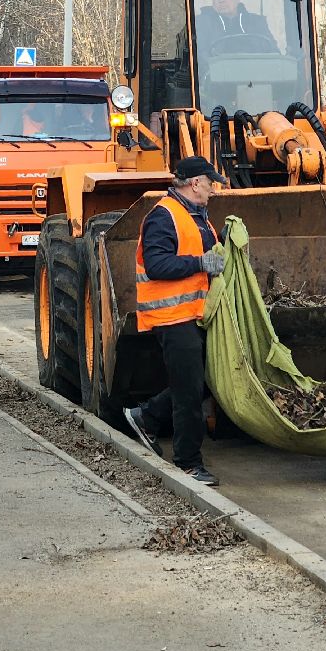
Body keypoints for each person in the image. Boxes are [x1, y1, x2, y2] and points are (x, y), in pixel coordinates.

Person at [122, 156, 228, 487]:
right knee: (188, 389)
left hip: (194, 315)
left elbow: (205, 258)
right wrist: (201, 262)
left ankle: (147, 416)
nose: (214, 189)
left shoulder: (199, 219)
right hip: (171, 317)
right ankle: (188, 463)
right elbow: (157, 265)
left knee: (204, 381)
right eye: (210, 183)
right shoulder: (163, 217)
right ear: (195, 183)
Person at [195, 0, 274, 49]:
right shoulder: (200, 24)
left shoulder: (256, 23)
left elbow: (273, 52)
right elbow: (199, 56)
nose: (221, 0)